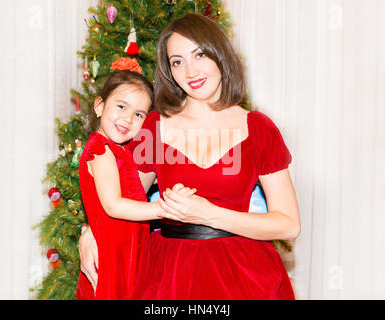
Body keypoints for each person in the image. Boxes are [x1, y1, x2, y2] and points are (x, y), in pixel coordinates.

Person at [79, 13, 300, 300]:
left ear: (220, 54)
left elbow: (289, 225)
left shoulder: (258, 128)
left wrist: (212, 215)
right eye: (177, 62)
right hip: (166, 276)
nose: (191, 71)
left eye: (200, 54)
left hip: (244, 276)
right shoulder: (153, 127)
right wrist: (88, 232)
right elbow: (119, 198)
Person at [76, 57, 196, 300]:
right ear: (99, 106)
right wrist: (165, 209)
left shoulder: (119, 150)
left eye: (139, 114)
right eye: (121, 107)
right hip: (113, 256)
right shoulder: (101, 150)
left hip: (128, 251)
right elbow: (114, 205)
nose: (128, 118)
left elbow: (132, 187)